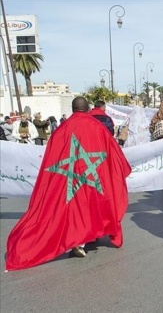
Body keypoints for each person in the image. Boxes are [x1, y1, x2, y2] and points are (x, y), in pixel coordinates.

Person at [5, 96, 131, 271]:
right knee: (93, 205)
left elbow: (52, 158)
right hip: (93, 177)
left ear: (73, 109)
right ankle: (85, 237)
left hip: (71, 177)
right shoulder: (98, 128)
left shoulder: (61, 129)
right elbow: (114, 154)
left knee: (75, 208)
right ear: (87, 109)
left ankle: (79, 240)